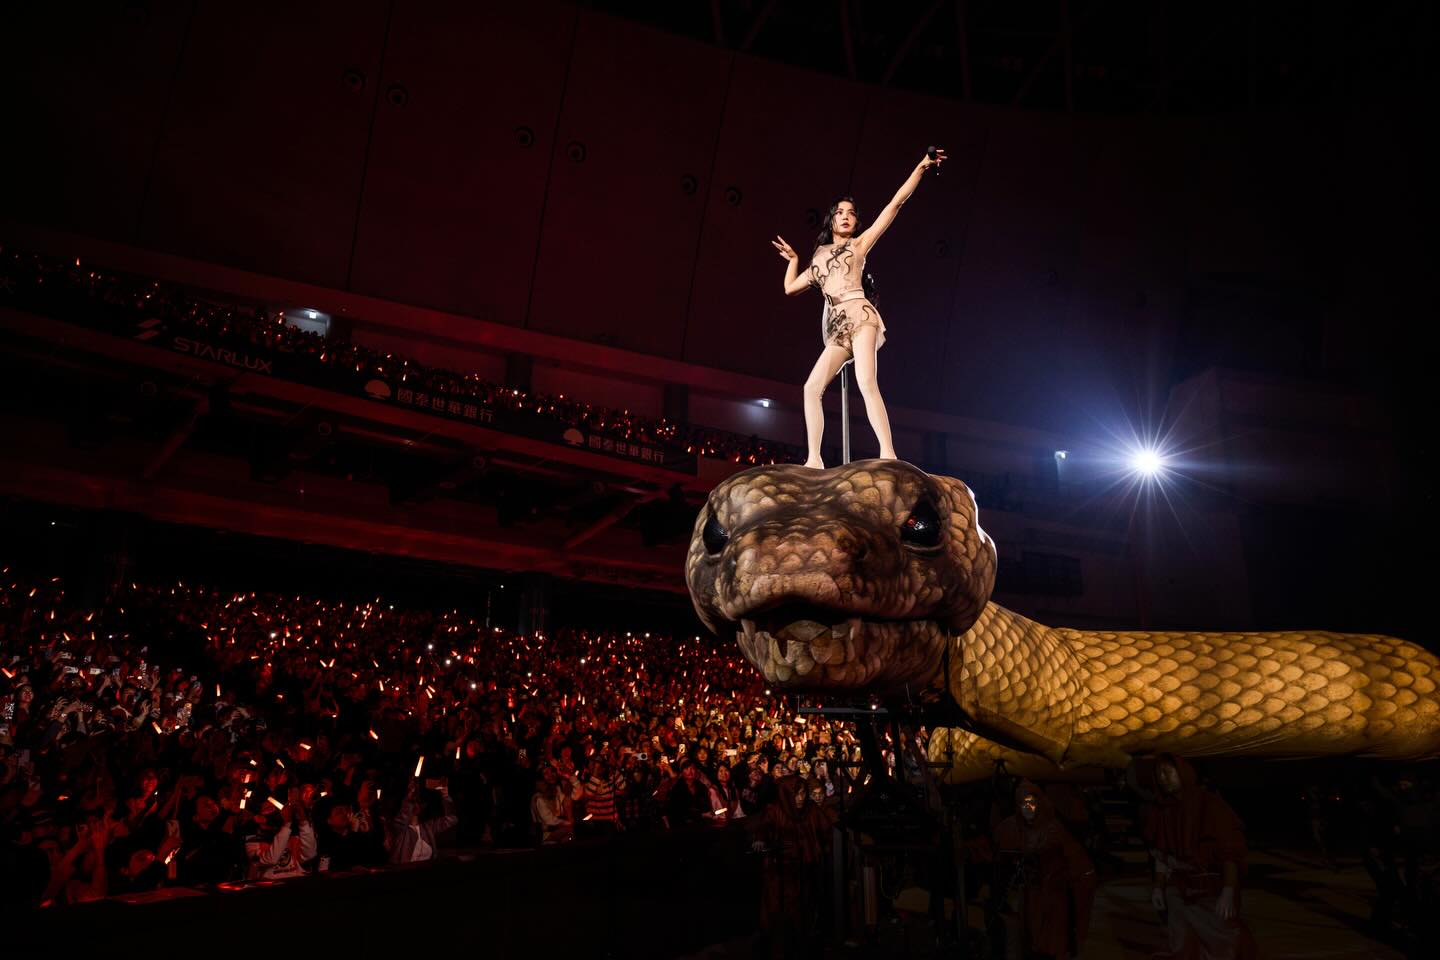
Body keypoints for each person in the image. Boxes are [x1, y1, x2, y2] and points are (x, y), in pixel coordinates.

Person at [770, 147, 947, 468]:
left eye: (851, 213)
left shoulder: (859, 244)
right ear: (832, 219)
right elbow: (789, 288)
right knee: (811, 388)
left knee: (866, 382)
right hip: (838, 327)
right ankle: (814, 459)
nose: (846, 216)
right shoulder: (819, 257)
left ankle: (888, 453)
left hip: (860, 315)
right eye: (840, 212)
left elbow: (895, 204)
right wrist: (794, 260)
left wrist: (921, 167)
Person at [1141, 755, 1255, 960]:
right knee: (1183, 942)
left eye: (1167, 772)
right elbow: (1161, 853)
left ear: (1182, 773)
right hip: (1179, 889)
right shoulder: (1161, 809)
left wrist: (1228, 890)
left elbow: (1229, 850)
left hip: (1209, 887)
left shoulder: (1210, 804)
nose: (1162, 778)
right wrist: (1159, 886)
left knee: (1223, 941)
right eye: (1159, 774)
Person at [993, 780, 1096, 960]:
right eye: (1023, 803)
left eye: (1031, 802)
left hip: (1053, 900)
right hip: (1028, 898)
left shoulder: (1054, 830)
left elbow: (1080, 866)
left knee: (1051, 943)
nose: (1028, 808)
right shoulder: (1012, 828)